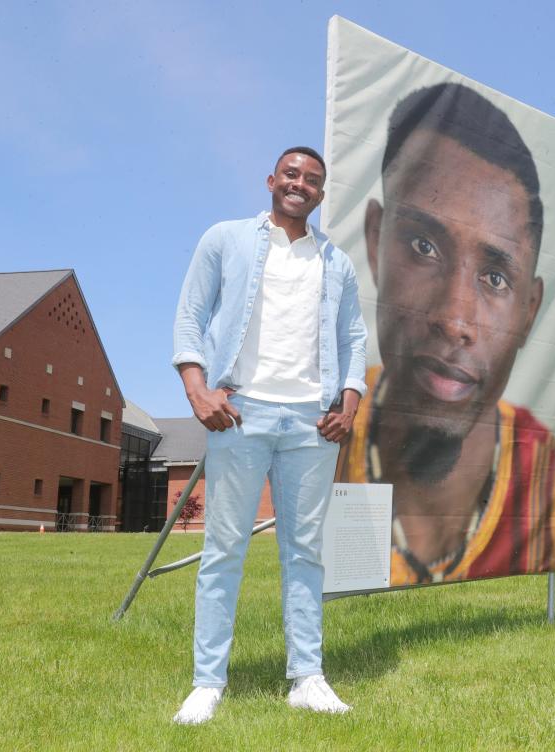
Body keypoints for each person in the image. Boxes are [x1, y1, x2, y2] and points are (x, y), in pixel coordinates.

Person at [335, 83, 555, 585]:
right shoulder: (333, 430)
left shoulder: (549, 481)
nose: (455, 320)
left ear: (530, 311)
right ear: (375, 240)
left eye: (495, 278)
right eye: (423, 245)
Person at [171, 146, 367, 724]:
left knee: (304, 552)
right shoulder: (226, 239)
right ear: (271, 180)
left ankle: (307, 677)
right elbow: (190, 316)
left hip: (311, 421)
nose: (299, 184)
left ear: (321, 194)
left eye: (312, 180)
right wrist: (197, 390)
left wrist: (349, 405)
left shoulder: (336, 262)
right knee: (223, 548)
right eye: (291, 174)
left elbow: (354, 338)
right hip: (241, 413)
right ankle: (208, 682)